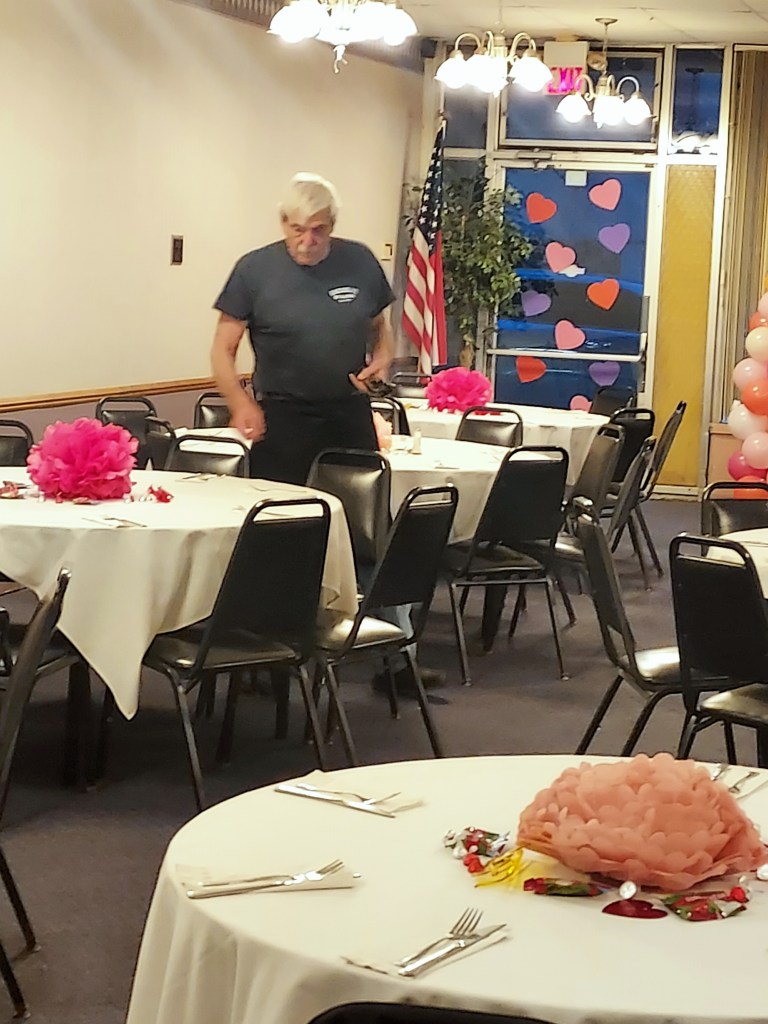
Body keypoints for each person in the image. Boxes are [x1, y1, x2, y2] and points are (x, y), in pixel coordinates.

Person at [210, 172, 394, 485]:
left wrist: (382, 358)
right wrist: (239, 403)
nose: (308, 241)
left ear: (332, 224)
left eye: (318, 230)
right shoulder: (253, 270)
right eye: (298, 229)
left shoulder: (360, 260)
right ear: (283, 223)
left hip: (349, 413)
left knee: (358, 507)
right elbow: (222, 350)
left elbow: (379, 326)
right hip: (282, 417)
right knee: (284, 508)